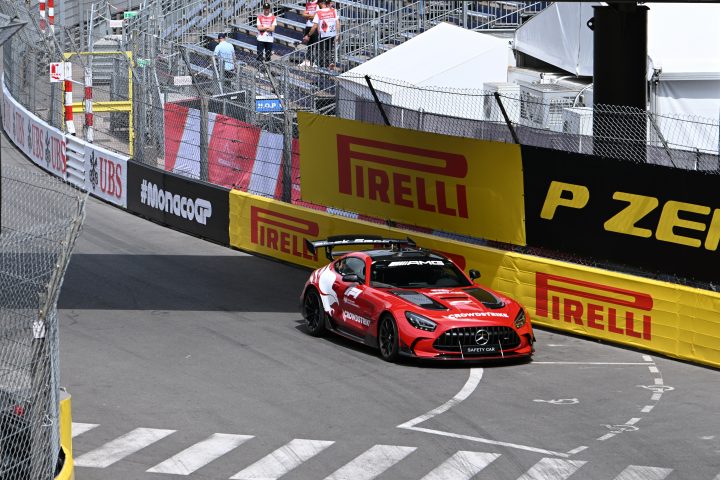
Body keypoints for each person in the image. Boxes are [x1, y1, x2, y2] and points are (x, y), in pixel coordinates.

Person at [303, 0, 340, 69]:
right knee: (329, 49)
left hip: (323, 34)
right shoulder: (333, 10)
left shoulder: (319, 12)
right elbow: (337, 22)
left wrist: (308, 35)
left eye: (318, 4)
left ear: (321, 3)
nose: (318, 5)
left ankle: (325, 66)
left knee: (322, 50)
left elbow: (314, 26)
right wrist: (337, 34)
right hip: (332, 34)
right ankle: (330, 64)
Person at [301, 0, 319, 66]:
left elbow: (315, 16)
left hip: (314, 26)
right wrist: (310, 16)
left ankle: (315, 62)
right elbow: (303, 14)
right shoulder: (308, 3)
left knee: (315, 45)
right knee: (308, 45)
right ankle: (308, 60)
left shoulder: (317, 3)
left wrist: (307, 15)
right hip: (307, 26)